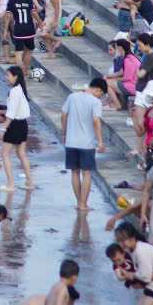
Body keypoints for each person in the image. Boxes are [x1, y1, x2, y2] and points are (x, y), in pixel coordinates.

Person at [60, 77, 106, 210]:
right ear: (97, 89)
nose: (100, 97)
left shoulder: (72, 97)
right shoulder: (95, 102)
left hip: (71, 141)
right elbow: (96, 121)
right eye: (101, 94)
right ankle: (83, 204)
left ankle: (78, 202)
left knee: (74, 172)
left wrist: (64, 133)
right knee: (86, 173)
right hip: (87, 143)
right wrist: (100, 142)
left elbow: (63, 115)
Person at [1, 66, 33, 191]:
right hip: (23, 124)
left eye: (8, 75)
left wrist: (3, 129)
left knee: (5, 154)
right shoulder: (21, 89)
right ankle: (29, 182)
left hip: (14, 125)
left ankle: (10, 184)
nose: (6, 77)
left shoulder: (14, 91)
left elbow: (11, 113)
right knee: (21, 153)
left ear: (15, 77)